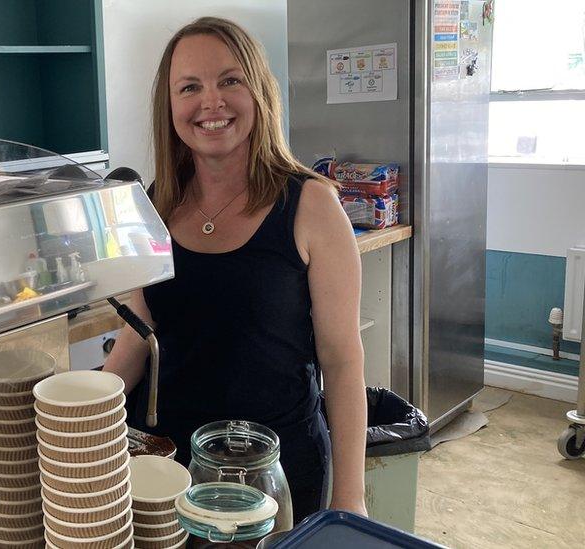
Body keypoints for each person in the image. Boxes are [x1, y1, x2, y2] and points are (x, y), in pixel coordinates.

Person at [103, 17, 368, 521]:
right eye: (190, 87)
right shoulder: (155, 203)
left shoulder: (311, 205)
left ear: (259, 92)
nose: (211, 102)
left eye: (230, 80)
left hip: (272, 471)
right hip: (163, 464)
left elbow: (342, 361)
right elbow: (140, 331)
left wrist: (350, 499)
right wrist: (83, 416)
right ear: (171, 106)